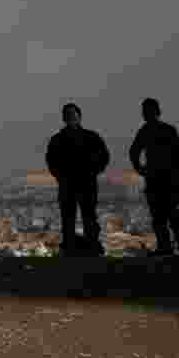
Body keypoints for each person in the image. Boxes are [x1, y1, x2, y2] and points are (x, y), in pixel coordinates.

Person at [46, 103, 109, 256]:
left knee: (87, 217)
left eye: (72, 114)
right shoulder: (60, 139)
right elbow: (51, 161)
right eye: (68, 115)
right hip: (73, 184)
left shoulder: (87, 138)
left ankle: (87, 246)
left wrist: (92, 172)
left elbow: (104, 157)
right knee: (71, 217)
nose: (70, 117)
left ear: (79, 116)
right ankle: (73, 246)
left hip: (83, 184)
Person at [128, 98, 179, 258]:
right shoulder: (166, 130)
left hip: (158, 179)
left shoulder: (147, 131)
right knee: (169, 217)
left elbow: (133, 152)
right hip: (164, 179)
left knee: (162, 217)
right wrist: (174, 172)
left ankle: (167, 247)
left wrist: (141, 169)